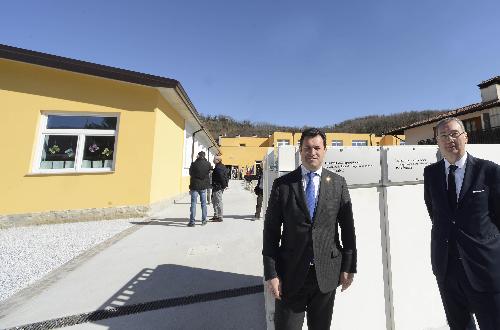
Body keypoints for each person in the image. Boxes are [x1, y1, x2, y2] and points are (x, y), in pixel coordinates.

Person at [262, 127, 357, 330]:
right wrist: (271, 273)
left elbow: (348, 230)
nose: (312, 152)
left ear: (324, 150)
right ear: (300, 150)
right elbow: (270, 233)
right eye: (307, 148)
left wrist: (349, 266)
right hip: (290, 274)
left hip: (326, 274)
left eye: (317, 147)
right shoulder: (283, 185)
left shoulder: (338, 184)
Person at [424, 117, 500, 329]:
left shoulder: (489, 171)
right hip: (447, 269)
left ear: (465, 137)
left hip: (484, 267)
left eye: (455, 134)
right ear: (437, 141)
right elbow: (437, 215)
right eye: (443, 136)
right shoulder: (431, 174)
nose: (450, 140)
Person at [188, 151, 212, 227]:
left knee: (193, 203)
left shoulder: (193, 164)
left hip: (194, 185)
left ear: (198, 156)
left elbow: (190, 173)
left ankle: (192, 222)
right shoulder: (208, 164)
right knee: (204, 204)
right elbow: (209, 172)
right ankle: (204, 221)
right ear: (204, 156)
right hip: (203, 186)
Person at [210, 155, 228, 222]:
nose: (213, 160)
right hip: (217, 187)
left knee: (218, 201)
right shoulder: (220, 166)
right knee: (214, 201)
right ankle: (216, 215)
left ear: (218, 160)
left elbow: (221, 177)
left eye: (214, 159)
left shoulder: (219, 168)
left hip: (218, 187)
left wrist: (223, 186)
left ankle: (220, 217)